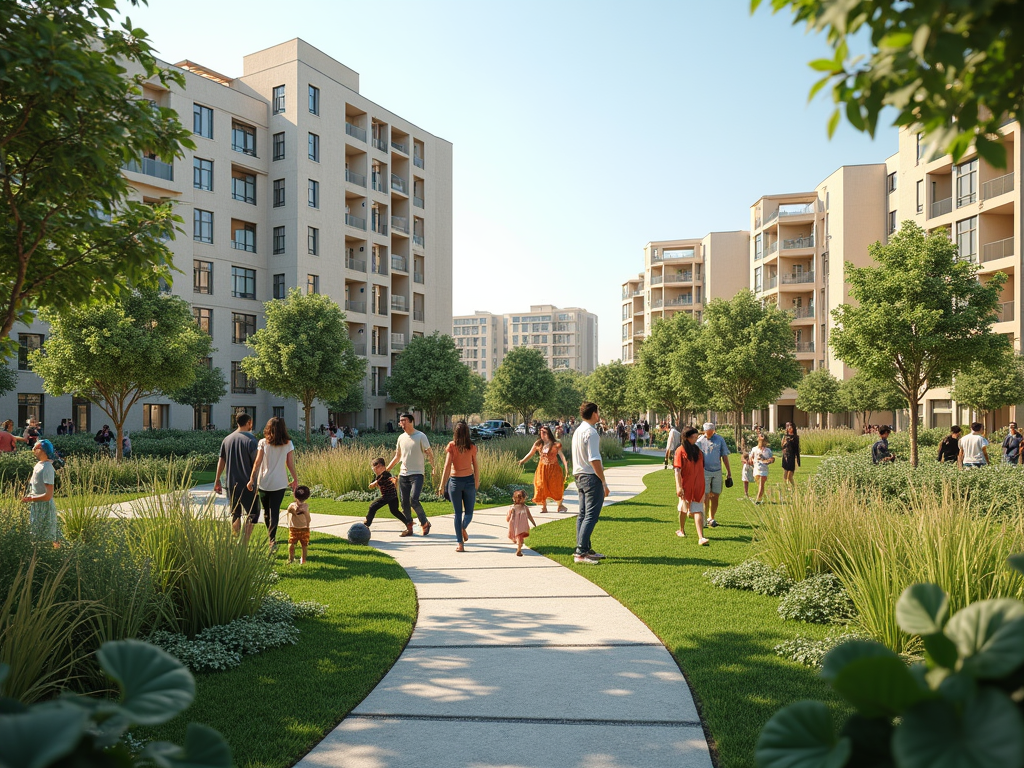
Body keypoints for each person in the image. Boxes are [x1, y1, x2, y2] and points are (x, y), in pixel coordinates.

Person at [247, 416, 298, 548]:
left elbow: (257, 463)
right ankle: (272, 539)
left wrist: (252, 479)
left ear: (268, 428)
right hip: (279, 482)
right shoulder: (288, 443)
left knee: (266, 511)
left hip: (264, 481)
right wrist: (295, 480)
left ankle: (271, 537)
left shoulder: (263, 442)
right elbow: (290, 464)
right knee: (274, 510)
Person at [571, 402, 608, 565]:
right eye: (598, 411)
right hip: (590, 477)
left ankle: (584, 548)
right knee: (591, 515)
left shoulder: (578, 430)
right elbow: (594, 459)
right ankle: (581, 552)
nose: (599, 414)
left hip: (579, 475)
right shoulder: (591, 432)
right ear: (594, 413)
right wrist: (603, 481)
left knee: (583, 514)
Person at [386, 412, 434, 536]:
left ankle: (424, 523)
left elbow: (429, 453)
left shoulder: (421, 436)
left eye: (404, 420)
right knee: (404, 502)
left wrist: (433, 467)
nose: (401, 423)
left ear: (411, 421)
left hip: (417, 474)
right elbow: (397, 456)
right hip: (403, 474)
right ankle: (409, 528)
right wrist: (387, 470)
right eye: (400, 421)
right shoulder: (401, 438)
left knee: (414, 499)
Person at [214, 413, 260, 541]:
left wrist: (217, 480)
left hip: (231, 484)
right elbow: (257, 462)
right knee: (253, 514)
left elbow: (221, 461)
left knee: (235, 514)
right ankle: (244, 544)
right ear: (249, 422)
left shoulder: (227, 439)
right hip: (248, 484)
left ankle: (234, 541)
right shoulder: (251, 441)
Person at [440, 421, 480, 552]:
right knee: (469, 513)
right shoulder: (472, 446)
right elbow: (476, 465)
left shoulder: (451, 446)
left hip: (455, 482)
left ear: (455, 433)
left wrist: (441, 485)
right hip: (469, 481)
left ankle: (460, 544)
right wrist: (477, 480)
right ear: (467, 433)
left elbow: (446, 467)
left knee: (458, 514)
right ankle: (463, 528)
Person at [517, 425, 569, 514]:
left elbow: (562, 457)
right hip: (542, 469)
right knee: (541, 487)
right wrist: (522, 461)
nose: (542, 434)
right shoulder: (538, 444)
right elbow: (530, 454)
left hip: (554, 469)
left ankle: (560, 506)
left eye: (544, 432)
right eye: (541, 432)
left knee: (556, 487)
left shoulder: (555, 444)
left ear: (548, 433)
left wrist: (567, 469)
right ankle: (544, 507)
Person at [674, 426, 709, 545]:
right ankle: (682, 529)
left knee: (698, 509)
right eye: (693, 437)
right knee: (683, 508)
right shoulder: (680, 451)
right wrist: (678, 486)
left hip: (698, 483)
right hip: (686, 484)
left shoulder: (697, 451)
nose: (695, 439)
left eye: (696, 437)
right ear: (686, 437)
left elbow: (702, 467)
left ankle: (701, 537)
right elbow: (677, 470)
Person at [365, 457, 414, 535]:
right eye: (374, 469)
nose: (375, 470)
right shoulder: (380, 476)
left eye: (377, 468)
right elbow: (373, 485)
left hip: (387, 496)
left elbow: (390, 479)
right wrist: (374, 484)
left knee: (373, 507)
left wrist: (394, 480)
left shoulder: (385, 475)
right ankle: (408, 523)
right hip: (393, 497)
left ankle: (367, 524)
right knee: (394, 511)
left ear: (383, 467)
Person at [22, 439, 58, 543]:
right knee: (35, 536)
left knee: (47, 537)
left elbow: (48, 495)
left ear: (42, 450)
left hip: (44, 507)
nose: (33, 450)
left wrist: (30, 499)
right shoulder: (39, 465)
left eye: (35, 448)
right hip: (36, 506)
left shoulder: (47, 468)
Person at [696, 423, 732, 528]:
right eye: (707, 432)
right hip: (705, 471)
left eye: (711, 431)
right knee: (706, 496)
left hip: (717, 471)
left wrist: (729, 472)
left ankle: (711, 517)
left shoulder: (719, 440)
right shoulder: (700, 441)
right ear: (704, 431)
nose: (709, 434)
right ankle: (704, 518)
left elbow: (724, 456)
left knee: (716, 495)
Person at [285, 485, 312, 564]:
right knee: (304, 545)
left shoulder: (292, 505)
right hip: (304, 528)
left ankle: (291, 558)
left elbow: (289, 510)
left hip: (293, 528)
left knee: (291, 543)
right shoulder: (306, 507)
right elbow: (308, 519)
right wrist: (307, 524)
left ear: (295, 495)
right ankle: (303, 560)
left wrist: (294, 512)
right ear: (307, 497)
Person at [506, 489, 537, 557]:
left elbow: (508, 518)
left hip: (514, 525)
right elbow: (529, 516)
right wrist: (534, 523)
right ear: (523, 499)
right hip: (522, 525)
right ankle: (519, 549)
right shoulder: (525, 507)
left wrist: (508, 520)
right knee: (520, 538)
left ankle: (518, 547)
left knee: (518, 537)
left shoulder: (512, 507)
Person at [750, 434, 775, 504]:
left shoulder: (767, 450)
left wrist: (768, 460)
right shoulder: (754, 449)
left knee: (761, 484)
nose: (762, 442)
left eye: (764, 441)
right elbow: (751, 457)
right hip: (756, 468)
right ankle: (761, 497)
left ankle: (757, 500)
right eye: (761, 440)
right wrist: (752, 460)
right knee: (759, 484)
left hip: (764, 469)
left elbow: (772, 459)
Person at [780, 422, 801, 488]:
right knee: (785, 472)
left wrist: (798, 459)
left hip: (792, 456)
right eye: (788, 427)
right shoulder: (785, 437)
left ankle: (794, 487)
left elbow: (797, 449)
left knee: (790, 475)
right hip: (785, 456)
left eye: (790, 427)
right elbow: (782, 446)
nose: (789, 428)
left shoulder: (795, 437)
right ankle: (785, 487)